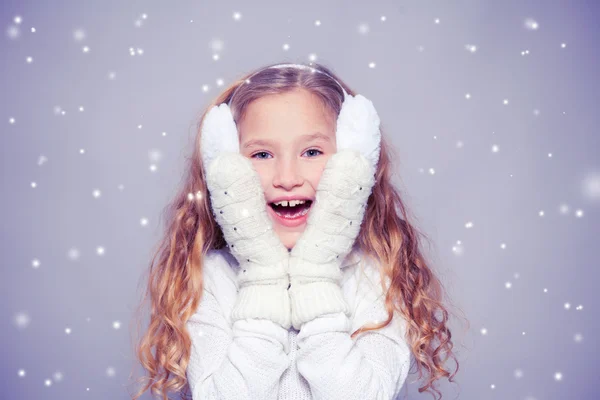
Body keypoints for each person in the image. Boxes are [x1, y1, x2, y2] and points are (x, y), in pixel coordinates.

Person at [131, 62, 461, 400]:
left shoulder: (375, 279)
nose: (287, 177)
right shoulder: (209, 279)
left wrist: (316, 271)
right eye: (261, 154)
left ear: (353, 160)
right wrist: (262, 274)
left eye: (312, 152)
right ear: (226, 168)